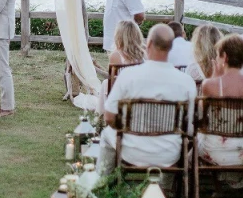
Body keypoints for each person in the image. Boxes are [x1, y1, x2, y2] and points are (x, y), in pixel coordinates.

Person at [97, 24, 196, 175]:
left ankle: (101, 183)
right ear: (170, 48)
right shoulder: (186, 81)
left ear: (148, 44)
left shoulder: (128, 76)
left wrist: (126, 129)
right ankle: (166, 188)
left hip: (132, 151)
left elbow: (109, 116)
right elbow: (190, 125)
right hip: (169, 154)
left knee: (106, 135)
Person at [199, 35, 243, 169]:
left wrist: (214, 77)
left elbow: (201, 114)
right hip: (241, 150)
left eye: (218, 55)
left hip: (215, 151)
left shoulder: (210, 84)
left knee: (195, 143)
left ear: (225, 57)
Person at [97, 20, 145, 115]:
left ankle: (102, 116)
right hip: (141, 94)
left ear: (119, 36)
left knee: (106, 83)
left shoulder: (116, 55)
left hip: (123, 96)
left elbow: (112, 82)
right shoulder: (144, 54)